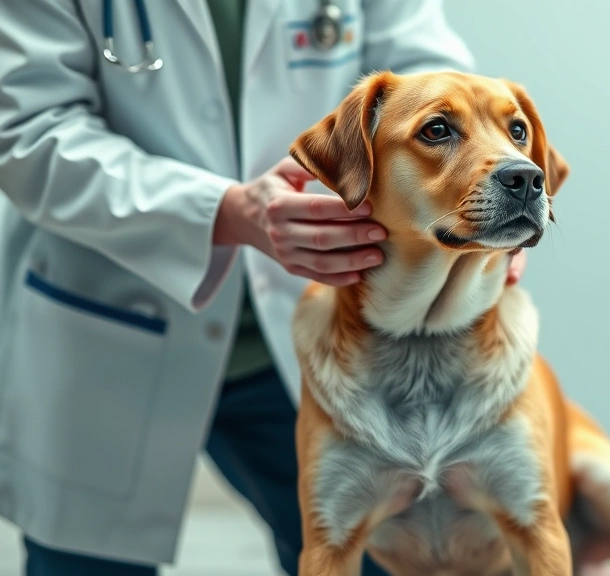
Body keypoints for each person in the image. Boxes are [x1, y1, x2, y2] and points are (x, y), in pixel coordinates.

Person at [0, 1, 526, 575]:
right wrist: (222, 212)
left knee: (378, 558)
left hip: (314, 339)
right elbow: (27, 130)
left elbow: (429, 73)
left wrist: (479, 183)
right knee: (85, 562)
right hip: (113, 317)